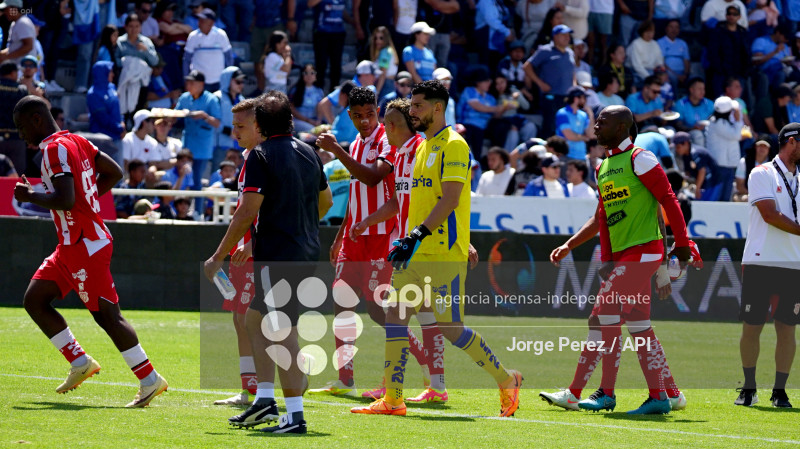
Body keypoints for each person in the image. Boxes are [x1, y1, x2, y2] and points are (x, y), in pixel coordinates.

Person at [351, 80, 523, 417]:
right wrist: (409, 240)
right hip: (414, 254)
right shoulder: (422, 148)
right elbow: (414, 202)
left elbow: (450, 200)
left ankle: (506, 379)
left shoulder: (455, 146)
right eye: (411, 106)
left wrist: (414, 236)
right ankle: (394, 399)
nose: (411, 112)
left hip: (443, 254)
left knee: (451, 329)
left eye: (417, 106)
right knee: (395, 316)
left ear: (437, 108)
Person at [12, 95, 167, 407]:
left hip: (84, 244)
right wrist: (87, 200)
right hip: (72, 244)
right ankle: (79, 361)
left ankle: (149, 379)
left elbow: (66, 199)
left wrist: (31, 195)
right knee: (35, 299)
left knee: (107, 315)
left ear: (37, 120)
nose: (20, 134)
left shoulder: (53, 149)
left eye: (21, 126)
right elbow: (113, 172)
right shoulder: (77, 141)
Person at [539, 104, 690, 415]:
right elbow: (600, 219)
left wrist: (682, 244)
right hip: (623, 256)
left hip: (643, 252)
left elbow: (668, 200)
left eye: (602, 122)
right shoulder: (602, 167)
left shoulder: (640, 158)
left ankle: (604, 392)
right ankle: (668, 394)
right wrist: (570, 245)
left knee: (602, 312)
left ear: (622, 128)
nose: (595, 127)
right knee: (638, 325)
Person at [204, 91, 333, 434]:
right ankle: (264, 399)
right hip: (305, 251)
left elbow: (247, 211)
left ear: (260, 124)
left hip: (278, 255)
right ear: (290, 121)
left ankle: (295, 416)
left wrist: (218, 256)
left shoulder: (260, 155)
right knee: (254, 320)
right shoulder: (309, 153)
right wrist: (299, 226)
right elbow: (327, 202)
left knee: (280, 333)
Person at [312, 87, 428, 398]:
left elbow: (373, 178)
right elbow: (355, 195)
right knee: (342, 303)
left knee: (378, 310)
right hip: (355, 237)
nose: (365, 121)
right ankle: (345, 378)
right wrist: (340, 235)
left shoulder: (388, 140)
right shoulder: (354, 144)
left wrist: (337, 151)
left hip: (382, 237)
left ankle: (424, 360)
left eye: (370, 114)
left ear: (377, 111)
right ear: (349, 115)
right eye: (358, 116)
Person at [348, 97, 452, 403]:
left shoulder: (423, 151)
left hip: (424, 245)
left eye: (390, 122)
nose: (385, 126)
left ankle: (398, 388)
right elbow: (399, 201)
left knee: (410, 316)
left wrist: (464, 240)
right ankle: (433, 386)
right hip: (407, 246)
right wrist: (368, 219)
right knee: (416, 315)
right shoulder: (403, 153)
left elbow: (443, 199)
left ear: (406, 124)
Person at [736, 123, 800, 409]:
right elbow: (770, 214)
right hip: (761, 261)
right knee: (752, 327)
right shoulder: (761, 172)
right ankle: (748, 387)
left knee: (788, 329)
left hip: (794, 263)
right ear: (792, 142)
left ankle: (780, 390)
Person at [209, 98, 264, 409]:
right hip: (245, 253)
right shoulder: (248, 157)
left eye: (241, 126)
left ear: (258, 126)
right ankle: (249, 389)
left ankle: (288, 377)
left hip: (261, 252)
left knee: (258, 321)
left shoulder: (265, 158)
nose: (234, 132)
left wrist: (252, 244)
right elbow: (244, 212)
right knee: (239, 318)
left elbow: (275, 212)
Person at [175, 70, 222, 211]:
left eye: (192, 82)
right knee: (183, 178)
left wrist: (204, 116)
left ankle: (198, 212)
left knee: (197, 181)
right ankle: (180, 211)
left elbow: (218, 123)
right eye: (187, 82)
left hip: (202, 148)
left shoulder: (211, 99)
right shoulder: (184, 98)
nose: (188, 85)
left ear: (201, 84)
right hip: (187, 146)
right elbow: (176, 114)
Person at [524, 24, 576, 138]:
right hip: (551, 96)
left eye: (568, 35)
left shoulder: (570, 52)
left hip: (566, 98)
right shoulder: (545, 50)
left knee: (565, 126)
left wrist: (574, 88)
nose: (567, 37)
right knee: (550, 127)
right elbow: (527, 66)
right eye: (564, 35)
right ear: (555, 37)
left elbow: (572, 72)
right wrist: (540, 83)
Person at [459, 68, 512, 167]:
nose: (489, 83)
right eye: (486, 81)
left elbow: (495, 115)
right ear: (478, 82)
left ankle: (495, 158)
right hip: (467, 124)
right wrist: (499, 108)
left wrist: (504, 109)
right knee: (474, 131)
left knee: (501, 125)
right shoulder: (469, 91)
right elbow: (478, 107)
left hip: (484, 127)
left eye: (489, 81)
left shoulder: (490, 98)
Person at [183, 9, 233, 93]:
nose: (199, 23)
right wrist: (186, 79)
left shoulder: (221, 35)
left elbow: (229, 57)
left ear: (211, 23)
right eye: (199, 20)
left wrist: (228, 78)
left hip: (218, 81)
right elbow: (186, 60)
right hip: (198, 81)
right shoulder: (193, 36)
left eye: (203, 21)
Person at [87, 61, 126, 168]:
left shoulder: (112, 87)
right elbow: (102, 118)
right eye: (110, 72)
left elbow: (118, 110)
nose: (113, 74)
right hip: (102, 140)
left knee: (118, 171)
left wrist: (122, 123)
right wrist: (119, 128)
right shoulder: (93, 94)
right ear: (102, 73)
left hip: (117, 137)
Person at [706, 5, 750, 97]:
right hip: (721, 73)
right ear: (726, 15)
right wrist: (720, 69)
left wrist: (744, 72)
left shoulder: (743, 33)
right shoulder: (717, 32)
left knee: (739, 101)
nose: (731, 16)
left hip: (738, 73)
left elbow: (746, 54)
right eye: (729, 14)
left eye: (734, 14)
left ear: (739, 17)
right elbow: (713, 54)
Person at [706, 96, 743, 202]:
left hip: (727, 165)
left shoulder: (720, 121)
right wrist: (738, 119)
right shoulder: (717, 123)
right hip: (720, 166)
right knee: (718, 197)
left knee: (725, 198)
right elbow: (736, 135)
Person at [673, 131, 721, 200]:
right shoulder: (685, 155)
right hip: (703, 184)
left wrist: (697, 189)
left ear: (686, 143)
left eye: (678, 147)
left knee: (707, 205)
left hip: (712, 183)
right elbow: (688, 172)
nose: (676, 150)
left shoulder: (696, 153)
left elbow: (702, 171)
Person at [214, 67, 247, 166]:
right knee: (218, 175)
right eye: (238, 81)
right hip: (222, 146)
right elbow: (212, 120)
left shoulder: (242, 99)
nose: (241, 85)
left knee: (240, 178)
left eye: (242, 82)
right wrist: (229, 132)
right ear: (227, 80)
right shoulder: (216, 97)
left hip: (239, 147)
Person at [311, 0, 347, 89]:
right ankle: (318, 91)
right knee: (321, 64)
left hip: (338, 33)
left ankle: (334, 93)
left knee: (336, 65)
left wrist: (353, 22)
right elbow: (310, 3)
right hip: (322, 32)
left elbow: (342, 11)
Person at [556, 86, 595, 160]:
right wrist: (584, 138)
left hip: (581, 156)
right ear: (576, 99)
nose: (586, 101)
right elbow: (569, 136)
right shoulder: (562, 113)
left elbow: (591, 135)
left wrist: (591, 115)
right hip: (566, 156)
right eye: (584, 98)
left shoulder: (583, 115)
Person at [672, 77, 714, 145]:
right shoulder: (680, 104)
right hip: (689, 133)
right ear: (691, 90)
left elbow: (714, 119)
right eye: (699, 89)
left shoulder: (709, 103)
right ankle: (700, 155)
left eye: (703, 89)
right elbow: (678, 125)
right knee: (697, 134)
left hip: (708, 131)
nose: (702, 92)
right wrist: (692, 128)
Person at [751, 24, 792, 88]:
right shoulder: (761, 41)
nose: (786, 40)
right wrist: (775, 52)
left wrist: (788, 62)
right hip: (762, 70)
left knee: (784, 74)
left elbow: (787, 61)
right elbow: (757, 61)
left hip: (779, 70)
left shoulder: (784, 46)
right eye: (785, 37)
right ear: (778, 33)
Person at [626, 20, 663, 86]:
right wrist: (649, 77)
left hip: (652, 71)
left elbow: (659, 61)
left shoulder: (655, 44)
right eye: (647, 32)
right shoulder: (636, 44)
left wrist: (659, 73)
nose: (649, 34)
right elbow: (637, 66)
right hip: (636, 72)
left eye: (651, 32)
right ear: (642, 32)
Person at [290, 64, 326, 133]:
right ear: (302, 75)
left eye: (312, 73)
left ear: (316, 76)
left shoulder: (319, 91)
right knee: (312, 130)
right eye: (306, 73)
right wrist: (308, 120)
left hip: (314, 120)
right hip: (299, 121)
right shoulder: (295, 90)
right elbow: (292, 109)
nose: (309, 75)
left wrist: (318, 120)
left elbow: (320, 107)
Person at [0, 0, 36, 64]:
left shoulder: (23, 23)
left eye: (6, 9)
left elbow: (29, 46)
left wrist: (7, 57)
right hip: (17, 68)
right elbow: (13, 47)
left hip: (25, 68)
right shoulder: (15, 23)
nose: (5, 12)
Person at [370, 26, 399, 97]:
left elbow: (382, 74)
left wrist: (377, 92)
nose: (378, 41)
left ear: (386, 39)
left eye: (381, 38)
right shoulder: (388, 50)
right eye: (375, 38)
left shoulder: (385, 52)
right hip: (388, 84)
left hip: (384, 85)